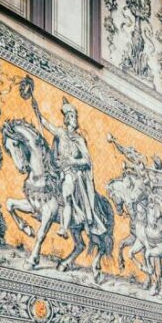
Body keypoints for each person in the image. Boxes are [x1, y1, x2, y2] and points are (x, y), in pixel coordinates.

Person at [31, 96, 105, 238]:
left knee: (66, 193)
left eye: (74, 116)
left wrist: (72, 160)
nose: (73, 118)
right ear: (66, 119)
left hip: (72, 173)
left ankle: (64, 228)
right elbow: (46, 124)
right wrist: (37, 111)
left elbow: (87, 161)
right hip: (58, 169)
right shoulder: (60, 132)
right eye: (70, 116)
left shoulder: (79, 139)